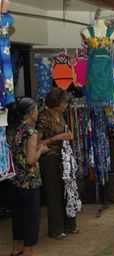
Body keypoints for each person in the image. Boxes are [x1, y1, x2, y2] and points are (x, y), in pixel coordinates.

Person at [7, 98, 49, 256]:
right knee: (31, 216)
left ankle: (16, 247)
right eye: (36, 110)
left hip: (15, 179)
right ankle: (28, 250)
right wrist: (41, 150)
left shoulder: (13, 129)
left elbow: (19, 151)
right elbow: (30, 160)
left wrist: (35, 149)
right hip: (29, 181)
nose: (37, 112)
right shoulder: (31, 132)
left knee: (17, 215)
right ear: (31, 112)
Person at [36, 88, 78, 239]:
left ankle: (70, 225)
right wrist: (58, 137)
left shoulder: (61, 114)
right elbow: (37, 142)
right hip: (50, 158)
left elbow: (68, 134)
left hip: (63, 157)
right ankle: (56, 229)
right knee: (54, 194)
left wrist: (66, 136)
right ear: (55, 103)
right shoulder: (43, 118)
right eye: (64, 102)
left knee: (67, 190)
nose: (66, 105)